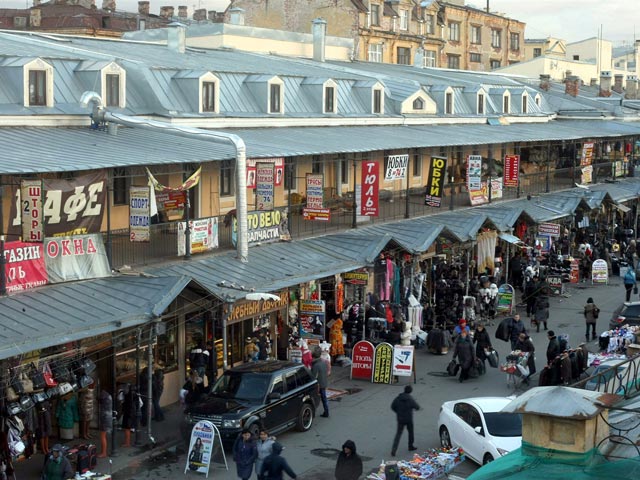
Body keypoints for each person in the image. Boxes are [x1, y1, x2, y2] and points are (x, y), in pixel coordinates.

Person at [390, 385, 420, 456]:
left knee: (398, 434)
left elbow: (392, 406)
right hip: (408, 419)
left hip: (400, 419)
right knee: (410, 432)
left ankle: (394, 450)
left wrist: (397, 412)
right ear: (410, 391)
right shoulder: (410, 399)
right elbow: (417, 407)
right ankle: (410, 446)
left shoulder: (398, 398)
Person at [311, 347, 329, 418]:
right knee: (324, 398)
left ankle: (313, 413)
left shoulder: (316, 365)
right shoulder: (324, 363)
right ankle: (326, 411)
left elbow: (313, 377)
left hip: (318, 385)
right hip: (324, 383)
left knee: (314, 399)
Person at [98, 389, 113, 458]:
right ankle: (103, 452)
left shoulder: (104, 397)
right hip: (108, 417)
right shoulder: (109, 397)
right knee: (103, 436)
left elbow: (99, 400)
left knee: (103, 436)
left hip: (105, 418)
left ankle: (104, 453)